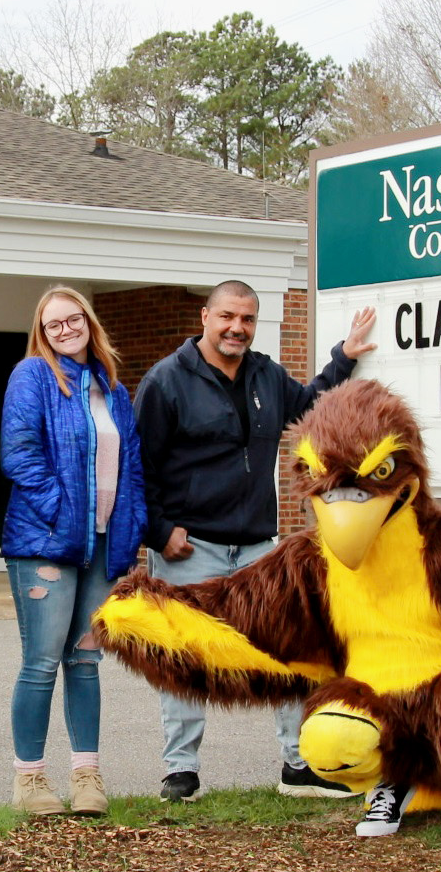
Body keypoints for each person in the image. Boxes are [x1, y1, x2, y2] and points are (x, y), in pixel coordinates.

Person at [134, 280, 376, 802]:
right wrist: (158, 530)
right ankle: (181, 771)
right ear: (205, 316)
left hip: (257, 546)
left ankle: (298, 764)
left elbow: (308, 405)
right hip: (189, 545)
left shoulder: (266, 373)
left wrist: (344, 358)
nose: (236, 328)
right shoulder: (165, 381)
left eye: (246, 319)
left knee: (290, 647)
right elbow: (141, 468)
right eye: (227, 316)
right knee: (185, 656)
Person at [0, 287, 146, 817]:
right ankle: (30, 781)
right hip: (46, 544)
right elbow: (19, 456)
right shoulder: (33, 376)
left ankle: (87, 776)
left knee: (86, 662)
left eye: (73, 318)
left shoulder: (114, 390)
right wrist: (64, 513)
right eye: (53, 323)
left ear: (89, 321)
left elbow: (131, 470)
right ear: (43, 332)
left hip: (104, 547)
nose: (65, 329)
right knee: (40, 662)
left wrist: (130, 535)